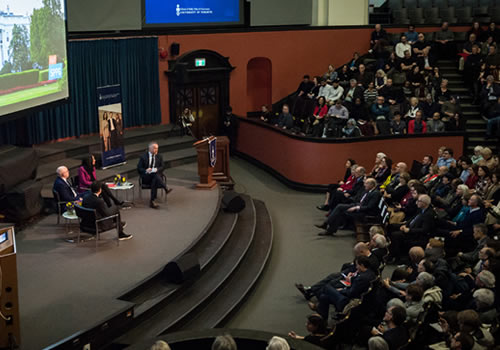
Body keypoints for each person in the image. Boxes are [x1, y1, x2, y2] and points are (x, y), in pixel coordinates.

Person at [316, 178, 381, 236]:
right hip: (358, 205)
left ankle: (328, 228)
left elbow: (370, 207)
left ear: (372, 185)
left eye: (366, 184)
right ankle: (327, 226)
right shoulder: (369, 191)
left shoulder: (375, 193)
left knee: (340, 210)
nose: (364, 185)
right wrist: (355, 205)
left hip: (364, 212)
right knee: (339, 206)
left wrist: (356, 207)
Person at [137, 142, 172, 209]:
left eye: (157, 148)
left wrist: (156, 169)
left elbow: (163, 166)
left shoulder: (159, 156)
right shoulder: (143, 157)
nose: (157, 150)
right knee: (155, 177)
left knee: (155, 178)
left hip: (156, 176)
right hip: (147, 177)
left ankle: (152, 201)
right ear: (150, 149)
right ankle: (165, 188)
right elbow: (139, 168)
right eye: (155, 148)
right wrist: (146, 170)